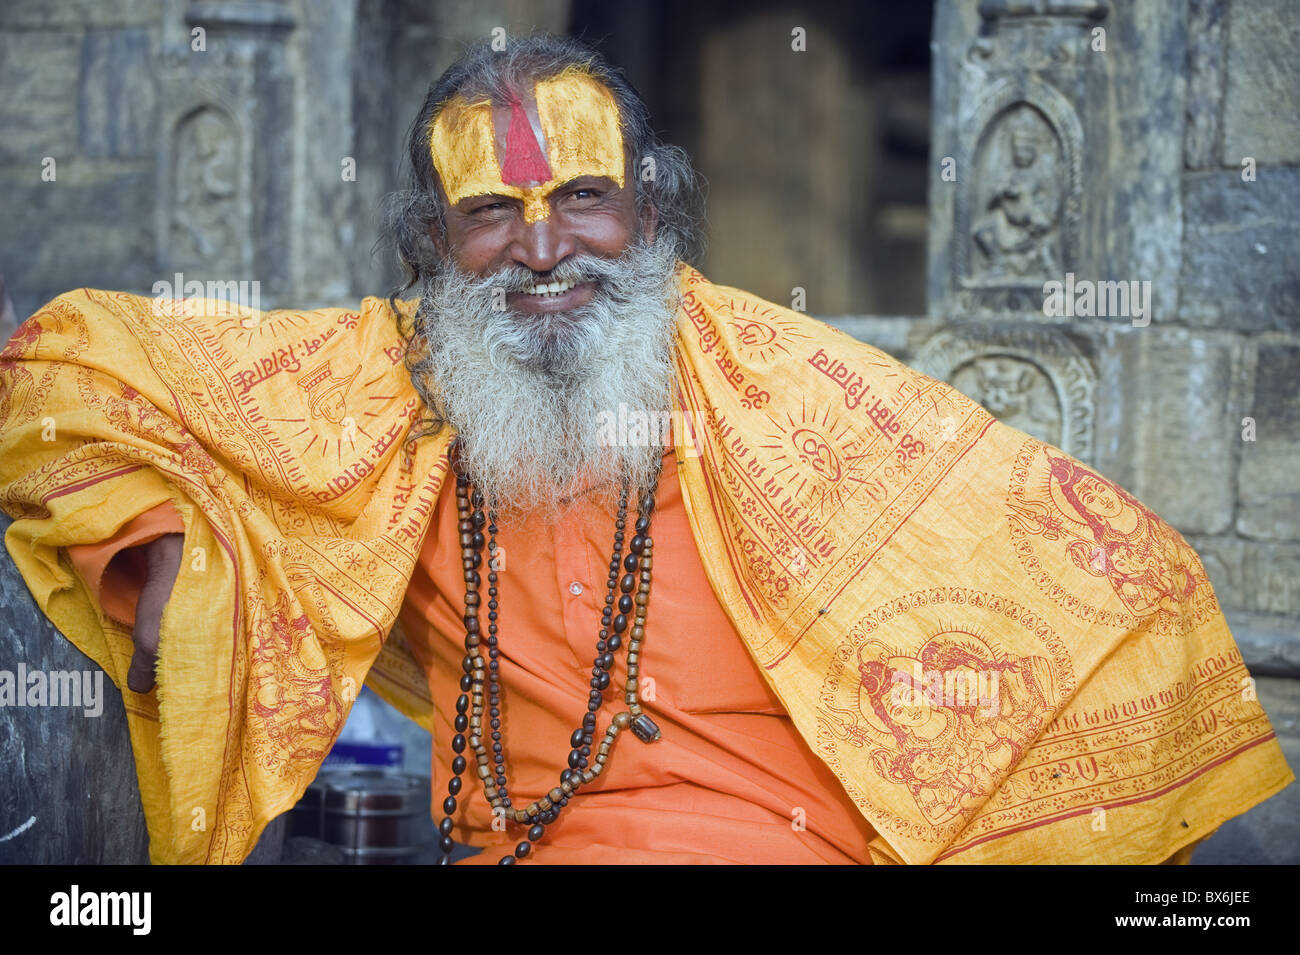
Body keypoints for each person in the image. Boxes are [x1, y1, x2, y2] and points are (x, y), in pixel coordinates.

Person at [0, 34, 1291, 865]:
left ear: (653, 212)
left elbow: (1127, 581)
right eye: (491, 216)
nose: (545, 251)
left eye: (583, 202)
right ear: (430, 249)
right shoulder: (382, 384)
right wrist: (157, 553)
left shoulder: (790, 391)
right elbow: (60, 369)